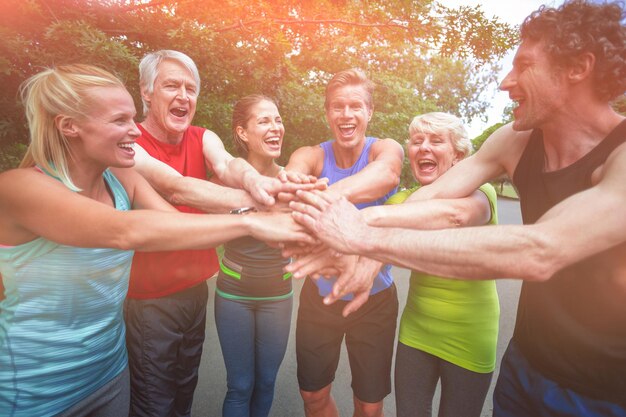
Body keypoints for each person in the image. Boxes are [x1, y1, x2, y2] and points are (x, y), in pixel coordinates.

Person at [289, 1, 626, 416]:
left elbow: (540, 250)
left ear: (577, 67)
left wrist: (364, 237)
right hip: (525, 365)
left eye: (523, 66)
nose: (505, 82)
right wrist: (367, 228)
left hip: (603, 391)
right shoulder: (516, 140)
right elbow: (428, 200)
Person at [0, 64, 313, 417]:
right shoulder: (19, 187)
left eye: (132, 119)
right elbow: (126, 230)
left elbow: (177, 227)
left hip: (107, 374)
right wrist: (254, 224)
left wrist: (270, 202)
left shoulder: (121, 177)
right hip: (32, 393)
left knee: (179, 401)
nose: (134, 130)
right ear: (69, 125)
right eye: (120, 120)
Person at [125, 50, 316, 417]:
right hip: (152, 301)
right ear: (146, 92)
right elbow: (178, 187)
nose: (183, 95)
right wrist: (264, 205)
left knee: (183, 398)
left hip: (194, 294)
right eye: (171, 86)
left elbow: (229, 163)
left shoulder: (201, 137)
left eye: (190, 88)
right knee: (155, 405)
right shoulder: (130, 142)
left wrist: (255, 182)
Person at [285, 68, 404, 417]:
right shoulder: (312, 155)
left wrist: (324, 197)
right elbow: (293, 175)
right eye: (338, 107)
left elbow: (387, 175)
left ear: (369, 112)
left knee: (369, 406)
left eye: (355, 106)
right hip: (319, 298)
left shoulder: (384, 148)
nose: (346, 115)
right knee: (312, 396)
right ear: (327, 114)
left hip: (376, 300)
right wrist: (295, 188)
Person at [378, 113, 499, 417]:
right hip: (416, 332)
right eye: (417, 141)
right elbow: (372, 231)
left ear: (458, 156)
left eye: (436, 141)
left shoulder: (482, 193)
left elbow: (455, 216)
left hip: (469, 336)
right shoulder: (403, 201)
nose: (424, 148)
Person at [214, 95, 296, 417]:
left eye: (277, 119)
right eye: (264, 121)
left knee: (266, 382)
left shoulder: (291, 177)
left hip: (279, 294)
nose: (275, 127)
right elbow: (233, 168)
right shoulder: (227, 176)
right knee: (240, 385)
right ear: (243, 133)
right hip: (234, 294)